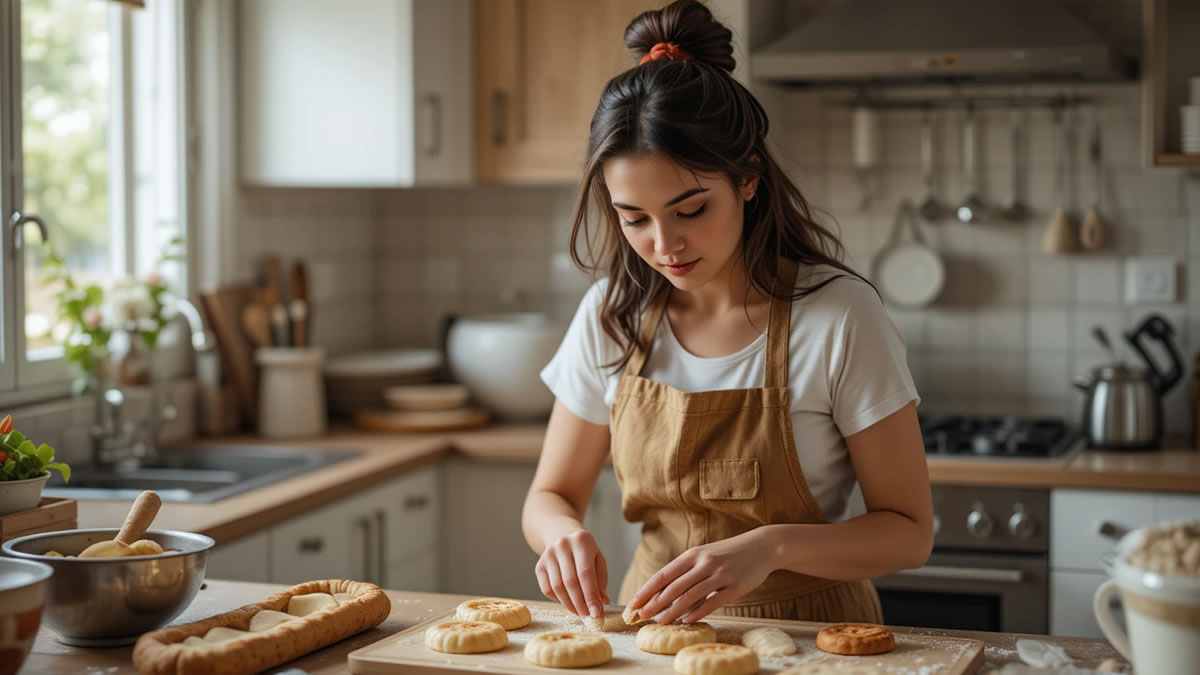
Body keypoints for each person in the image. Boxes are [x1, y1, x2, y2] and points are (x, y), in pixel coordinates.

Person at [522, 0, 933, 626]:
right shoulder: (612, 315)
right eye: (634, 218)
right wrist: (559, 536)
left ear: (747, 179)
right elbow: (550, 495)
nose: (665, 245)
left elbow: (909, 533)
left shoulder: (839, 317)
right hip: (653, 632)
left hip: (812, 635)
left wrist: (773, 546)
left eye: (690, 210)